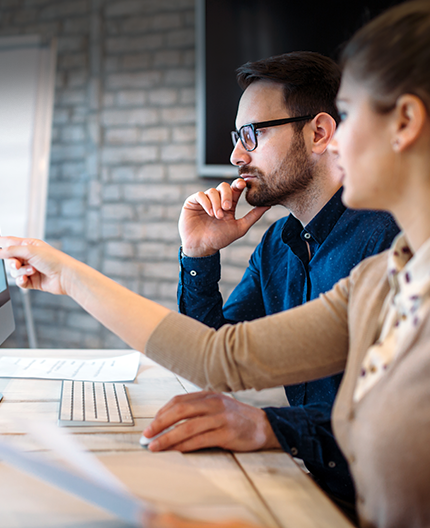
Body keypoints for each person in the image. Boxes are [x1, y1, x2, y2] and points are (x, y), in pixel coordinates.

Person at [0, 0, 430, 526]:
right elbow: (215, 357)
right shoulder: (391, 281)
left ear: (404, 123)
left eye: (350, 114)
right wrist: (75, 272)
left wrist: (269, 431)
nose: (338, 137)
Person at [166, 51, 399, 515]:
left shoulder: (390, 241)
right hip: (305, 480)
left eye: (252, 135)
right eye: (237, 137)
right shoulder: (279, 242)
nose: (235, 156)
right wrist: (199, 254)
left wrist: (270, 426)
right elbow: (210, 358)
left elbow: (393, 421)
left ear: (319, 133)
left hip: (370, 504)